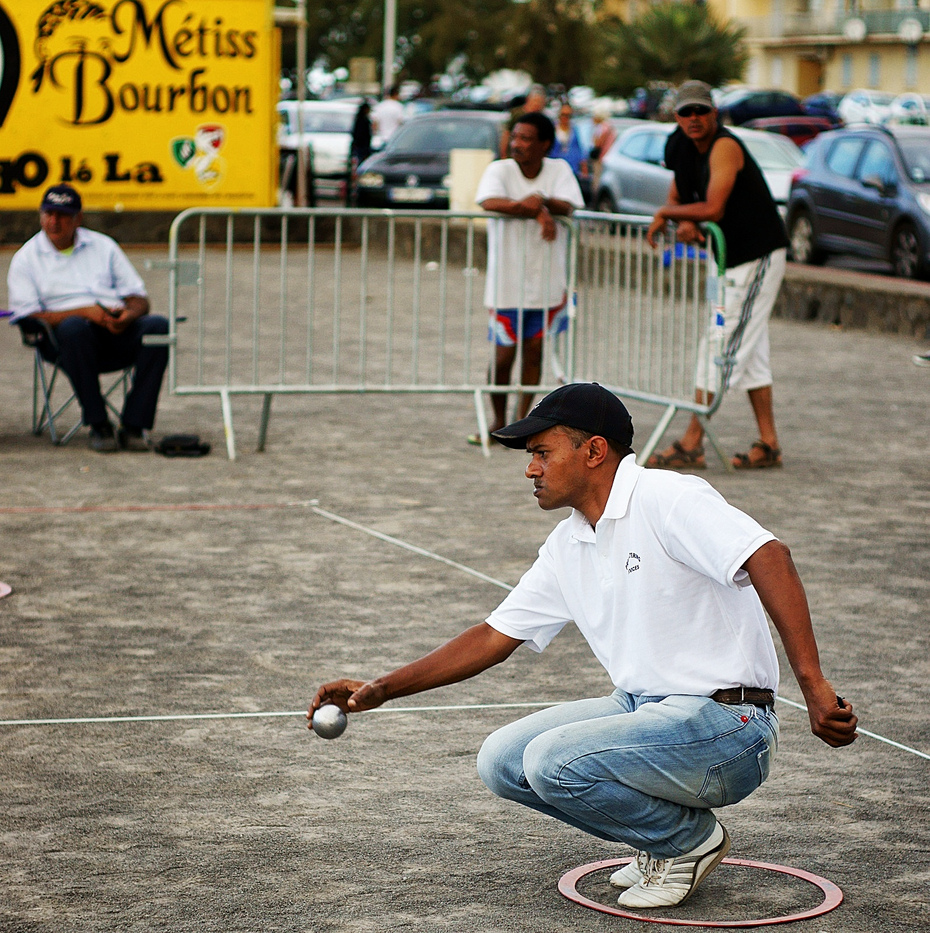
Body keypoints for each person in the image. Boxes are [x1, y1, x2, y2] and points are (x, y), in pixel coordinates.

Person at [309, 382, 857, 910]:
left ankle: (686, 842)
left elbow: (769, 556)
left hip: (730, 726)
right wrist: (382, 689)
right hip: (645, 709)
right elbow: (494, 637)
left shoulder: (666, 497)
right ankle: (665, 838)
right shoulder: (569, 540)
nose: (530, 468)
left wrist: (812, 682)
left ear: (594, 451)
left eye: (542, 452)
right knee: (501, 761)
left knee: (552, 760)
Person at [646, 80, 790, 470]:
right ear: (676, 116)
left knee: (721, 342)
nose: (693, 119)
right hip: (725, 258)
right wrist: (679, 217)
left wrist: (668, 216)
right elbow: (679, 194)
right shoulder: (678, 146)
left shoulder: (726, 147)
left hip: (755, 254)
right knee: (750, 348)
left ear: (714, 113)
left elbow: (712, 209)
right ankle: (770, 443)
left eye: (700, 111)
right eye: (685, 112)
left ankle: (693, 441)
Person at [7, 184, 169, 452]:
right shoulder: (26, 258)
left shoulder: (104, 246)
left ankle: (134, 425)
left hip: (114, 329)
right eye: (48, 213)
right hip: (61, 340)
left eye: (62, 215)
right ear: (40, 215)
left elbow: (140, 298)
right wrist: (85, 312)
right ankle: (98, 423)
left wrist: (127, 316)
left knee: (158, 327)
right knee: (74, 329)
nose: (54, 221)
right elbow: (28, 314)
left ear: (78, 219)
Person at [471, 112, 585, 443]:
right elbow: (489, 202)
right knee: (504, 355)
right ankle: (498, 421)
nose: (517, 144)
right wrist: (537, 210)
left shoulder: (558, 170)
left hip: (546, 282)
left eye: (526, 139)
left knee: (534, 352)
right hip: (506, 283)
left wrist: (544, 203)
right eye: (515, 137)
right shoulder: (500, 169)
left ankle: (523, 425)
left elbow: (569, 205)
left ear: (544, 145)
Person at [548, 102, 589, 201]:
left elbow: (580, 149)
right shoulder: (553, 128)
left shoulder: (574, 130)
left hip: (572, 167)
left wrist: (584, 167)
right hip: (555, 165)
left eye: (568, 115)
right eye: (563, 115)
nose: (565, 118)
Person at [499, 85, 547, 159]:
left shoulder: (541, 117)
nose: (537, 105)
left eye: (540, 102)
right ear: (529, 100)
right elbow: (506, 134)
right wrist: (504, 155)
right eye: (535, 101)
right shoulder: (518, 114)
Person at [589, 107, 617, 197]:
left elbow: (598, 143)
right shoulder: (610, 127)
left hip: (600, 157)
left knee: (597, 178)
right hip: (608, 156)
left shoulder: (602, 127)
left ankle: (595, 197)